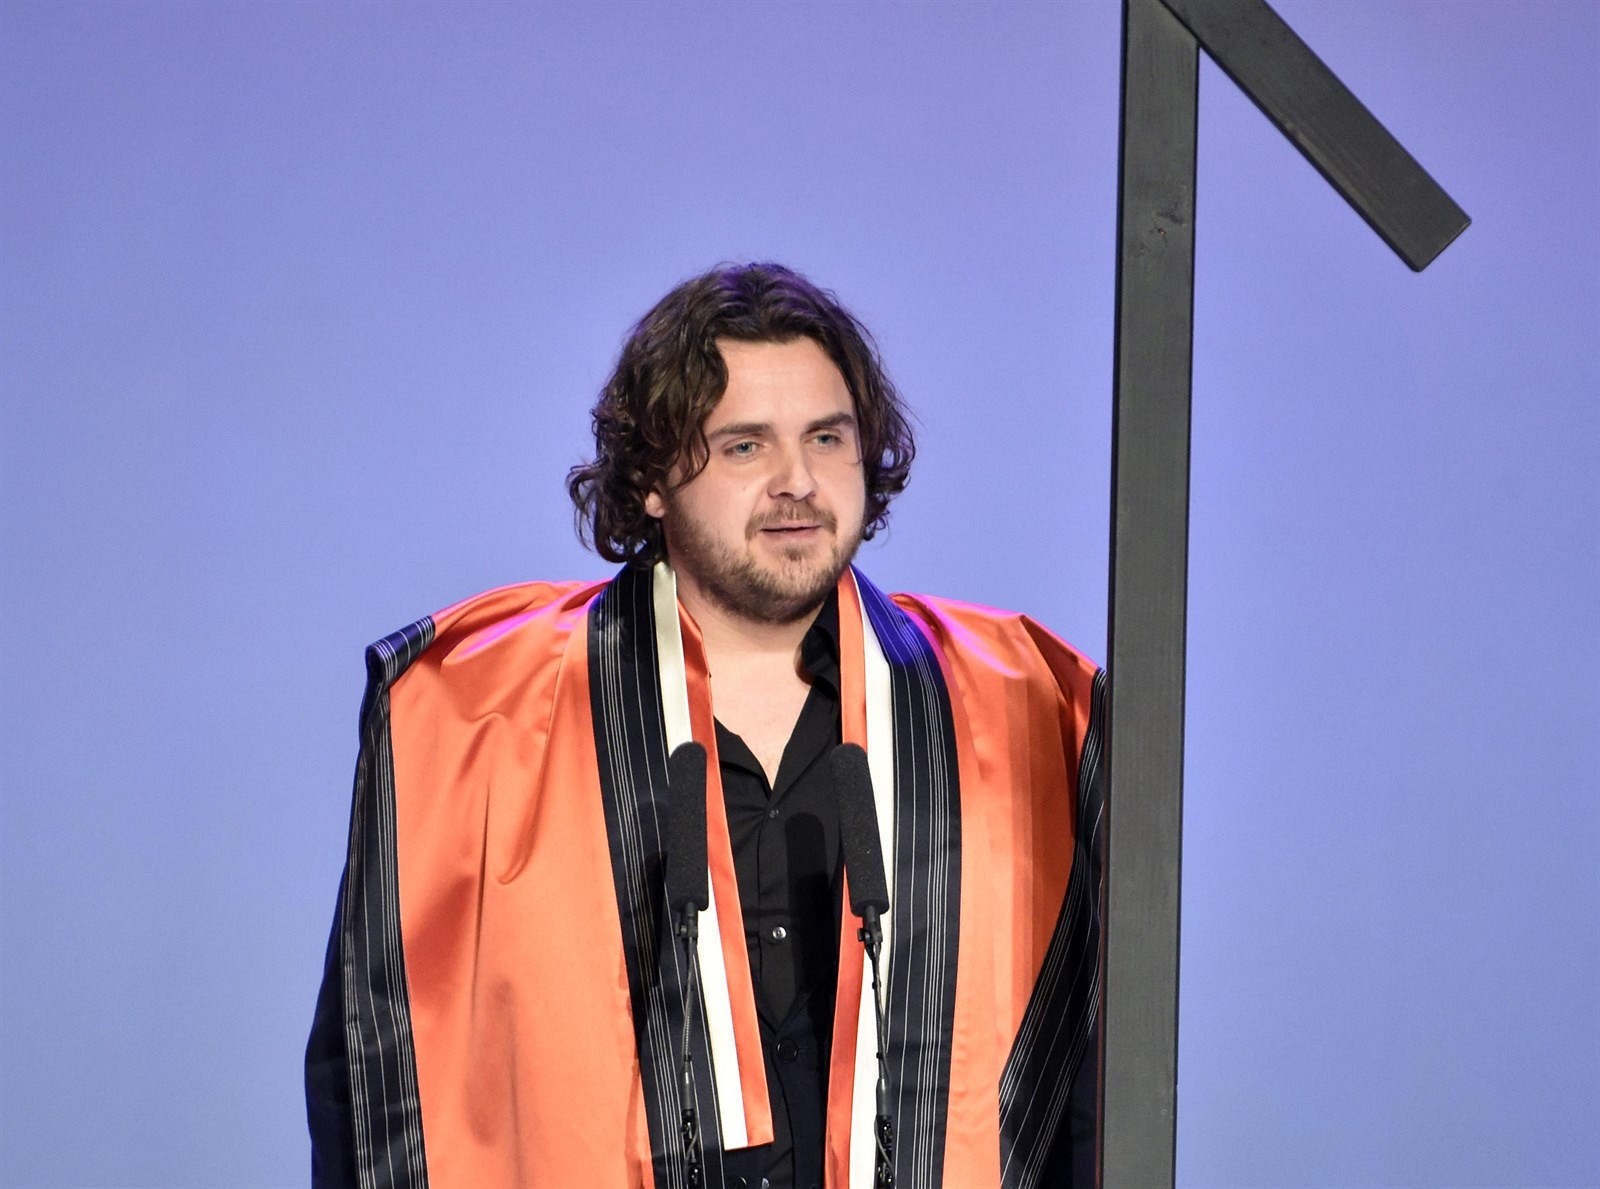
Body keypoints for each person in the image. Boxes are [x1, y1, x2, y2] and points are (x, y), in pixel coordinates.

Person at [306, 263, 1104, 1189]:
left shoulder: (1017, 705)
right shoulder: (477, 713)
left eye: (827, 437)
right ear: (653, 479)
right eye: (745, 447)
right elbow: (368, 1074)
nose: (797, 481)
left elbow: (1089, 1073)